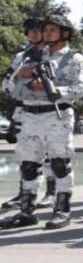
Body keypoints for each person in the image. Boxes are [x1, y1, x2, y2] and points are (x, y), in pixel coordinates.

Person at [1, 15, 83, 230]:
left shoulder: (75, 59)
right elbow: (8, 88)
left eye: (52, 30)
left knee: (60, 164)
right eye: (45, 29)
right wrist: (20, 76)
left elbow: (81, 89)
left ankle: (62, 210)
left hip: (57, 115)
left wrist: (56, 90)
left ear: (64, 33)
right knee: (29, 165)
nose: (46, 33)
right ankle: (26, 212)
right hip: (30, 115)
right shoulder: (29, 57)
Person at [1, 18, 47, 210]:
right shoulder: (22, 56)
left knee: (54, 155)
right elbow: (6, 83)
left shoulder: (55, 54)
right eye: (30, 31)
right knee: (26, 155)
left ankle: (52, 193)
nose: (34, 34)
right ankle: (24, 193)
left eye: (38, 30)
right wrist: (19, 77)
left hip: (51, 111)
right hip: (24, 110)